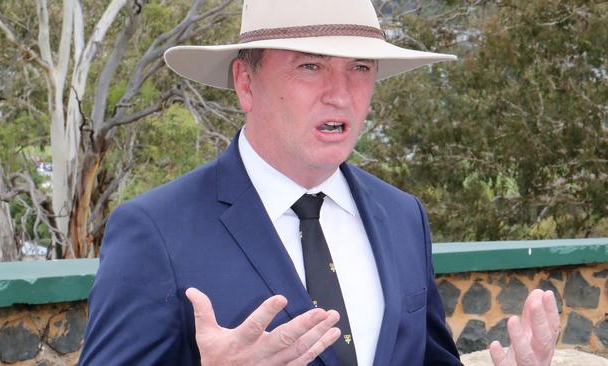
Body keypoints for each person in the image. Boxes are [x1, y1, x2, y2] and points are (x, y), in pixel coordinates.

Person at [80, 0, 559, 365]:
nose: (340, 94)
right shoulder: (155, 231)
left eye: (360, 69)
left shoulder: (402, 216)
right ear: (246, 83)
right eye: (310, 66)